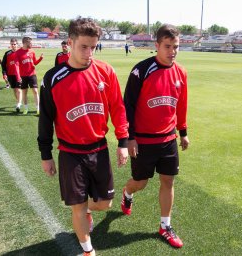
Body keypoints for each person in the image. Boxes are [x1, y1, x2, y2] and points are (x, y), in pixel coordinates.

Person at [38, 17, 129, 256]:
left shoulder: (105, 72)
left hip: (98, 149)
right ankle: (88, 250)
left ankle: (84, 209)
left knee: (104, 204)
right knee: (77, 207)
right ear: (70, 42)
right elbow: (45, 119)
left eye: (93, 47)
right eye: (83, 47)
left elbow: (118, 108)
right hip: (69, 153)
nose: (89, 53)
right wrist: (45, 155)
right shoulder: (52, 78)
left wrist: (122, 142)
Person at [121, 24, 190, 248]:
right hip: (142, 140)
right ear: (157, 45)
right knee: (140, 183)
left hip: (168, 139)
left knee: (168, 180)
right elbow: (128, 105)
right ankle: (127, 192)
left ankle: (165, 225)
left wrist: (183, 132)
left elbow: (181, 106)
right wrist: (129, 137)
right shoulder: (140, 70)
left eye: (176, 46)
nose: (172, 51)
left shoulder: (181, 72)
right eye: (168, 46)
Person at [15, 36, 43, 115]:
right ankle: (26, 108)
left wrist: (40, 58)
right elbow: (16, 65)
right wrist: (18, 76)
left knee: (35, 91)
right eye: (30, 42)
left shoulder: (32, 51)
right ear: (25, 43)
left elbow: (35, 63)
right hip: (23, 76)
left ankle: (38, 109)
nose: (32, 44)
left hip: (32, 74)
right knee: (24, 92)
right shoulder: (18, 53)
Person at [1, 38, 22, 112]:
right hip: (10, 74)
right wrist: (4, 73)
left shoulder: (21, 53)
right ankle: (18, 101)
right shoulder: (7, 53)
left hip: (19, 74)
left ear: (17, 44)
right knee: (14, 89)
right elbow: (3, 64)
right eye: (12, 44)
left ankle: (19, 104)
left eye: (14, 44)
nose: (13, 45)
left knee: (18, 89)